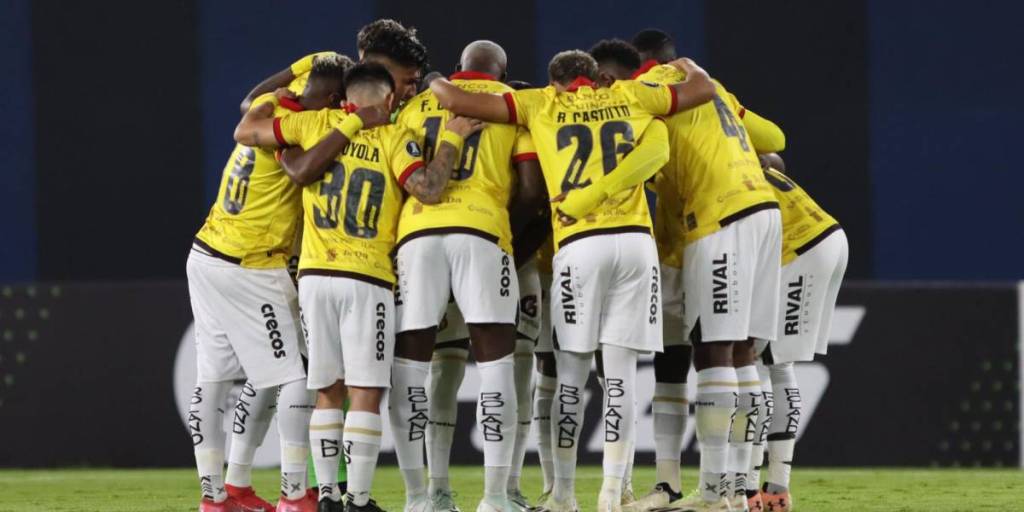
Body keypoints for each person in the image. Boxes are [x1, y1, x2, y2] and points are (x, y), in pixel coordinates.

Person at [430, 49, 715, 512]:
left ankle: (563, 493)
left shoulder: (540, 103)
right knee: (620, 378)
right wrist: (689, 66)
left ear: (555, 81)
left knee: (571, 376)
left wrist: (434, 78)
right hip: (635, 243)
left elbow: (455, 100)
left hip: (580, 243)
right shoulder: (631, 95)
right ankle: (611, 493)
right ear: (595, 77)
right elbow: (703, 90)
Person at [234, 61, 480, 512]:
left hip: (314, 277)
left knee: (327, 390)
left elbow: (247, 131)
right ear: (388, 99)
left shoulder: (315, 124)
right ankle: (358, 500)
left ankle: (327, 495)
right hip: (367, 278)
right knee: (365, 391)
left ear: (346, 98)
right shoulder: (394, 138)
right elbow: (428, 189)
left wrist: (280, 94)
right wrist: (451, 138)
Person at [185, 54, 348, 512]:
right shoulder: (305, 127)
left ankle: (220, 494)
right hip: (251, 264)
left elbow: (249, 100)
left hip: (206, 254)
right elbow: (305, 169)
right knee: (297, 375)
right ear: (333, 99)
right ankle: (294, 494)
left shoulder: (271, 106)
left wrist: (299, 66)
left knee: (216, 378)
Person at [389, 40, 546, 512]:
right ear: (503, 74)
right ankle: (496, 498)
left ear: (457, 67)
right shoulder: (511, 105)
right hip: (482, 233)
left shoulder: (416, 105)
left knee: (414, 366)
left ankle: (422, 497)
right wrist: (501, 231)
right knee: (497, 365)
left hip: (417, 234)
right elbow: (532, 189)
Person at [633, 48, 785, 512]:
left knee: (712, 351)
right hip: (762, 210)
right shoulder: (714, 89)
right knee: (743, 352)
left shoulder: (641, 94)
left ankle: (716, 493)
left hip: (717, 220)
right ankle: (739, 486)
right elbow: (775, 139)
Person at [747, 153, 848, 512]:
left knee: (755, 360)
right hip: (826, 238)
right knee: (778, 363)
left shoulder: (722, 174)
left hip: (802, 248)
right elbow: (776, 161)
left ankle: (748, 489)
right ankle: (776, 489)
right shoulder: (752, 167)